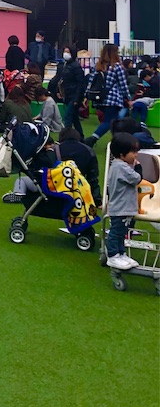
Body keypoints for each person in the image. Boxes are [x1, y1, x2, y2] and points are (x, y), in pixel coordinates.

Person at [104, 133, 142, 271]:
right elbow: (137, 178)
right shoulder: (121, 167)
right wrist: (138, 167)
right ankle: (113, 255)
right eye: (133, 152)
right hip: (121, 207)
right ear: (121, 154)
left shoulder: (118, 165)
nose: (136, 155)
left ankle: (121, 253)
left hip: (122, 207)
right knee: (116, 232)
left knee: (121, 232)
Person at [85, 43, 132, 146]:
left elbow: (91, 82)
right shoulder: (117, 67)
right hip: (113, 98)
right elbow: (123, 85)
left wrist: (86, 97)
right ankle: (92, 139)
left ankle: (118, 141)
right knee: (110, 121)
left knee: (114, 121)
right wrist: (129, 99)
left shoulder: (98, 66)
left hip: (100, 98)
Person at [47, 46, 86, 137]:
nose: (65, 54)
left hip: (74, 95)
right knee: (74, 118)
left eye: (68, 52)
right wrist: (59, 91)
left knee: (68, 117)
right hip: (67, 94)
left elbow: (81, 83)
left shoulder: (76, 66)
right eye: (65, 51)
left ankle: (65, 137)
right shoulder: (64, 65)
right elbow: (60, 79)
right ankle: (81, 137)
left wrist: (77, 98)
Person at [57, 128, 102, 205]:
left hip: (57, 190)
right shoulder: (88, 151)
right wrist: (97, 200)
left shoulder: (55, 149)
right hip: (79, 192)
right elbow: (93, 178)